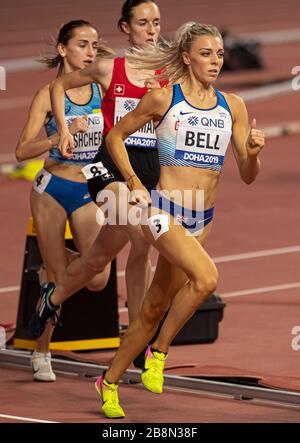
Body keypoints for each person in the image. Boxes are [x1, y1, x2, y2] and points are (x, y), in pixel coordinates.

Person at [29, 21, 265, 418]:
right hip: (165, 209)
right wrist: (135, 181)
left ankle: (108, 380)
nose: (215, 61)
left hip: (201, 217)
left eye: (220, 54)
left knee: (154, 308)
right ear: (187, 58)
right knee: (206, 279)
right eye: (206, 54)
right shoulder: (163, 99)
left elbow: (246, 173)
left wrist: (254, 152)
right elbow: (115, 137)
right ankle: (158, 353)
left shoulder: (233, 106)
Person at [30, 0, 163, 369]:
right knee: (141, 238)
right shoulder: (109, 68)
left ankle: (52, 297)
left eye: (156, 22)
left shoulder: (169, 69)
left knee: (98, 270)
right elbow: (58, 88)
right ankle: (137, 340)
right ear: (126, 28)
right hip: (100, 174)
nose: (151, 30)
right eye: (143, 22)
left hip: (145, 170)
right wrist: (63, 130)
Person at [16, 20, 114, 382]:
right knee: (57, 278)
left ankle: (54, 259)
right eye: (82, 44)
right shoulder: (46, 94)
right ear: (63, 49)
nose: (91, 52)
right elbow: (22, 150)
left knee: (98, 277)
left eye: (94, 45)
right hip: (52, 188)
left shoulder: (100, 90)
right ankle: (42, 351)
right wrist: (58, 138)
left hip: (87, 188)